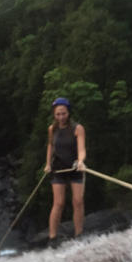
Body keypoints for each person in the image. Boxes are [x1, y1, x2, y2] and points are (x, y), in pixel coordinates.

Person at [44, 97, 86, 244]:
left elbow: (81, 149)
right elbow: (50, 146)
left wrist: (80, 161)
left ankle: (79, 234)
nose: (61, 117)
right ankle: (52, 237)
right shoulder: (52, 129)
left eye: (63, 113)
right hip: (58, 169)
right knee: (59, 203)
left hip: (75, 167)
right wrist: (48, 164)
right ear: (54, 114)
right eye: (58, 114)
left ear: (68, 113)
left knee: (78, 201)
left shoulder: (77, 128)